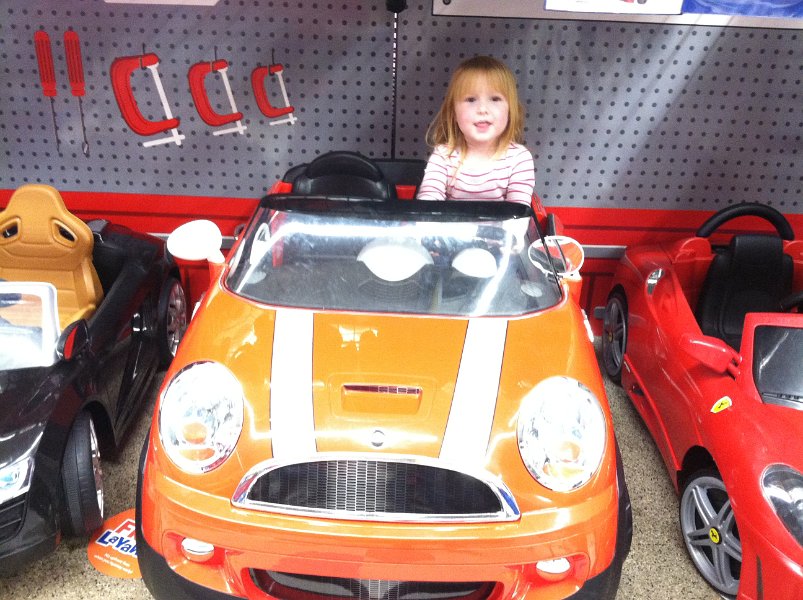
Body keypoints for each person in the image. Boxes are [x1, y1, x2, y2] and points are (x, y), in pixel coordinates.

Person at [417, 56, 536, 205]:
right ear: (453, 113)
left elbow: (518, 213)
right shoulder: (443, 156)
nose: (482, 109)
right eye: (471, 100)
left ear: (510, 110)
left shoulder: (518, 159)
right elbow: (428, 205)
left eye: (495, 99)